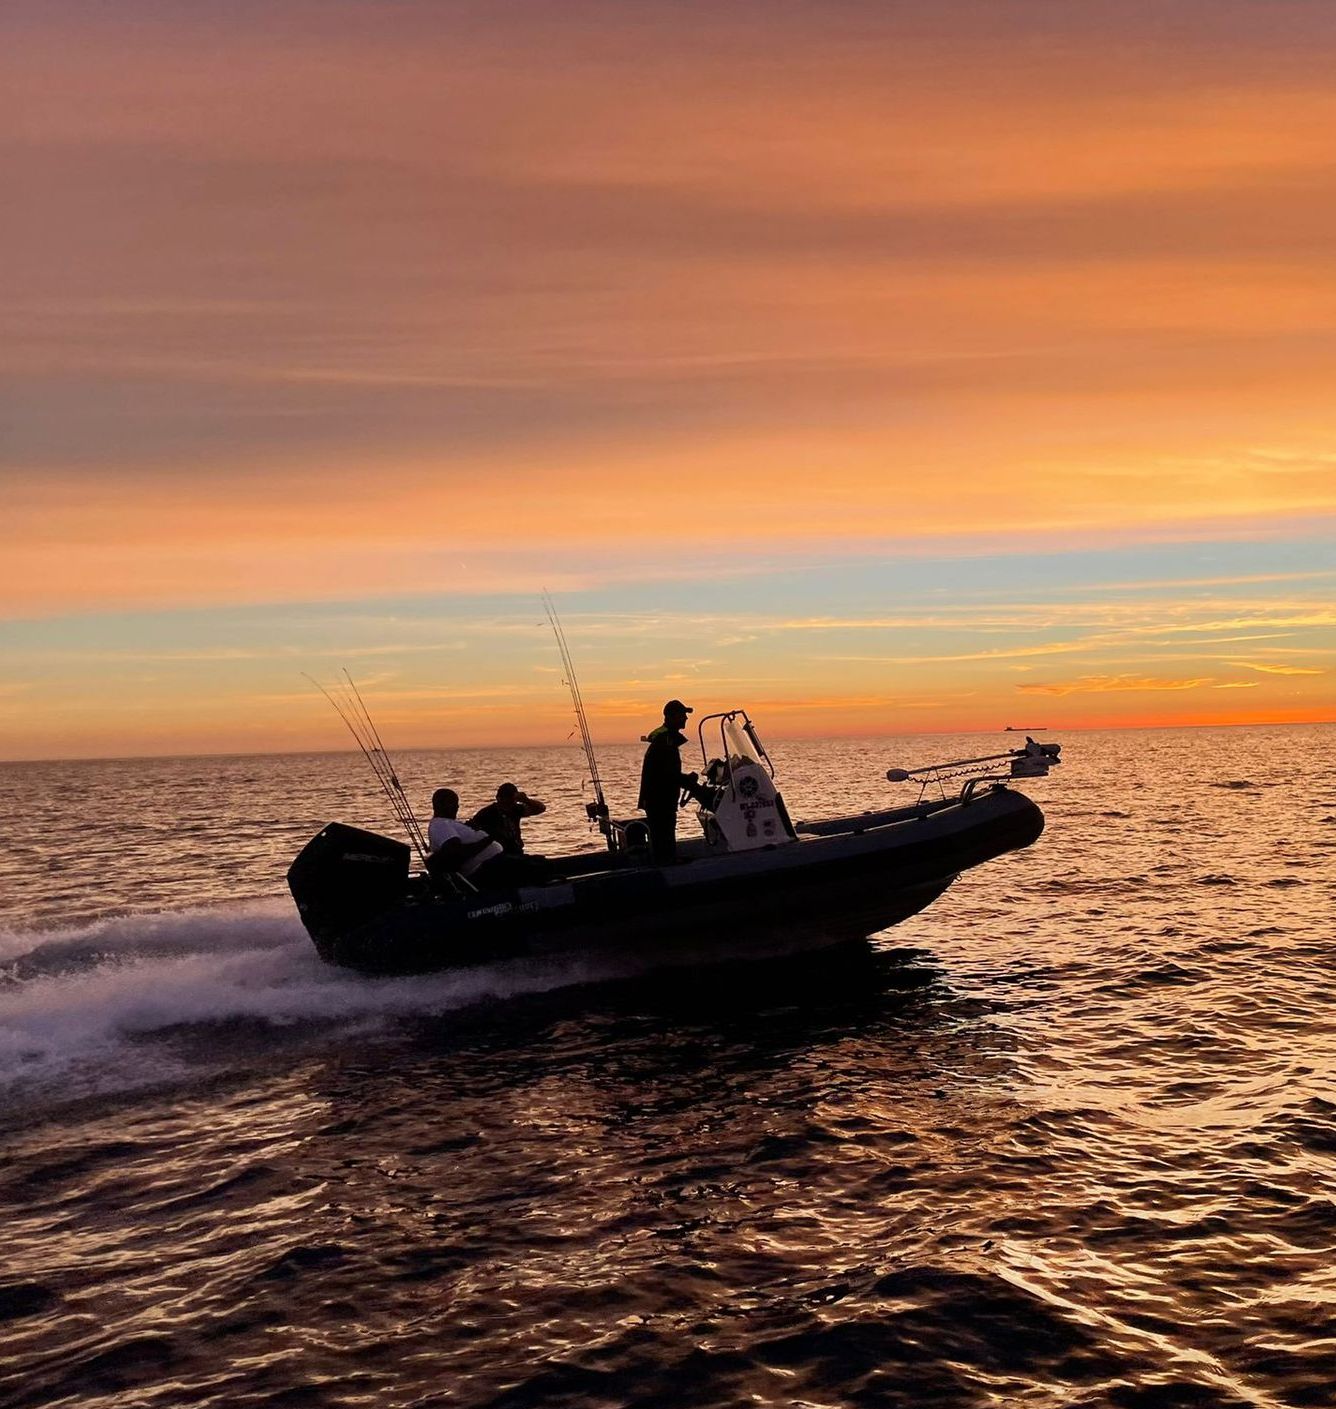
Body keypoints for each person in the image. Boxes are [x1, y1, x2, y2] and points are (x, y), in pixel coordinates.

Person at [637, 699, 701, 864]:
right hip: (659, 799)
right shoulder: (665, 741)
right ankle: (667, 864)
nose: (685, 719)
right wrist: (688, 780)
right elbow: (668, 775)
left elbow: (668, 773)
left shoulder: (666, 740)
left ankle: (669, 859)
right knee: (663, 830)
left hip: (659, 798)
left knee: (665, 830)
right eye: (682, 715)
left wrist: (686, 780)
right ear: (672, 717)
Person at [469, 783, 547, 856]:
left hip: (516, 852)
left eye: (512, 799)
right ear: (498, 798)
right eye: (507, 798)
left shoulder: (515, 809)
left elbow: (540, 808)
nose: (510, 803)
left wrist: (526, 800)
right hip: (498, 854)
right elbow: (473, 831)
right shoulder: (487, 813)